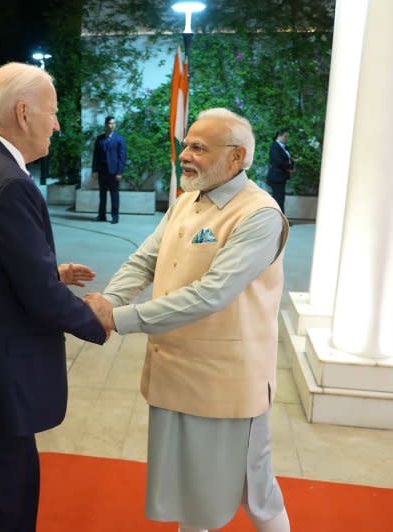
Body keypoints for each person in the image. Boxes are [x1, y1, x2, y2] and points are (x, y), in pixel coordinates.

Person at [86, 108, 291, 532]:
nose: (185, 154)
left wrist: (117, 318)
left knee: (256, 492)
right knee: (190, 491)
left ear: (237, 157)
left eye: (199, 147)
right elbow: (145, 260)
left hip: (226, 385)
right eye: (187, 144)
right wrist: (104, 304)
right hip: (175, 374)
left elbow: (212, 293)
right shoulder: (184, 203)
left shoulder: (259, 215)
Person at [0, 62, 111, 531]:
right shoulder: (9, 183)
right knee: (4, 511)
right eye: (52, 113)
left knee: (5, 488)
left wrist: (47, 272)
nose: (57, 124)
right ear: (24, 112)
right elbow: (41, 298)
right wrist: (98, 320)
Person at [91, 115, 127, 224]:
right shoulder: (100, 139)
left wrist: (120, 172)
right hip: (102, 171)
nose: (112, 125)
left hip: (114, 172)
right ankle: (101, 215)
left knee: (114, 195)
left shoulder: (119, 139)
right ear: (106, 125)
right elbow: (95, 156)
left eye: (114, 123)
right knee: (102, 195)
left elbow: (122, 157)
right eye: (110, 123)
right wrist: (95, 170)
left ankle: (115, 217)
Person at [266, 128, 294, 214]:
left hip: (281, 177)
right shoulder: (275, 146)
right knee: (279, 199)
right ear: (279, 136)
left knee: (280, 198)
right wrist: (289, 167)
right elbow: (278, 161)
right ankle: (280, 219)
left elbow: (288, 159)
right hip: (276, 177)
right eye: (285, 136)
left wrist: (292, 166)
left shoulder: (283, 147)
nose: (286, 139)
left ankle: (280, 218)